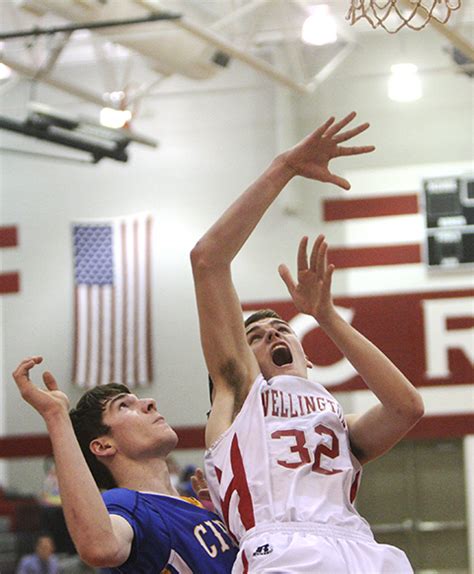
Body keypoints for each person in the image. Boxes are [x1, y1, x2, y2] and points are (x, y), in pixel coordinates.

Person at [190, 112, 425, 573]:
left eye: (280, 328)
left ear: (307, 356)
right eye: (254, 336)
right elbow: (208, 259)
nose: (273, 332)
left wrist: (327, 317)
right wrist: (285, 167)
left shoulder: (337, 423)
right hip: (283, 547)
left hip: (361, 548)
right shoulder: (239, 393)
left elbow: (407, 408)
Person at [12, 357, 238, 573]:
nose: (150, 403)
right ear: (103, 446)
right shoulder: (126, 503)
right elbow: (99, 547)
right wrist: (56, 416)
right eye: (123, 406)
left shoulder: (196, 505)